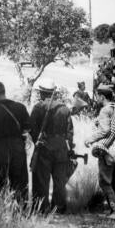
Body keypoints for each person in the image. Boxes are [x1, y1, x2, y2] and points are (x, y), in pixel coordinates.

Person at [85, 84, 115, 220]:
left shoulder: (105, 110)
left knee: (105, 182)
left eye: (98, 96)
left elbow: (105, 130)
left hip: (107, 150)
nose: (97, 98)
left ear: (102, 96)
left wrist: (90, 139)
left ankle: (114, 212)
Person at [30, 79, 75, 213]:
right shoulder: (64, 109)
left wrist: (36, 141)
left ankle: (42, 208)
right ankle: (59, 207)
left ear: (42, 93)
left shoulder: (38, 108)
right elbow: (70, 133)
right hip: (61, 148)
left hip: (44, 147)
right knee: (59, 180)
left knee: (41, 180)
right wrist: (70, 148)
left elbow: (32, 129)